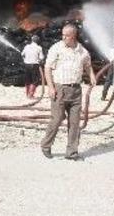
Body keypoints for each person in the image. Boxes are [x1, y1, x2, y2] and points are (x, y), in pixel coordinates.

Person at [41, 24, 96, 161]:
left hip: (76, 90)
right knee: (57, 118)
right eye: (62, 34)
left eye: (66, 35)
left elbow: (88, 66)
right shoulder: (56, 48)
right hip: (60, 88)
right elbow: (47, 68)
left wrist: (92, 76)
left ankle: (71, 152)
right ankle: (46, 145)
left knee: (75, 122)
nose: (63, 37)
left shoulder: (82, 51)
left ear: (74, 36)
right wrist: (50, 87)